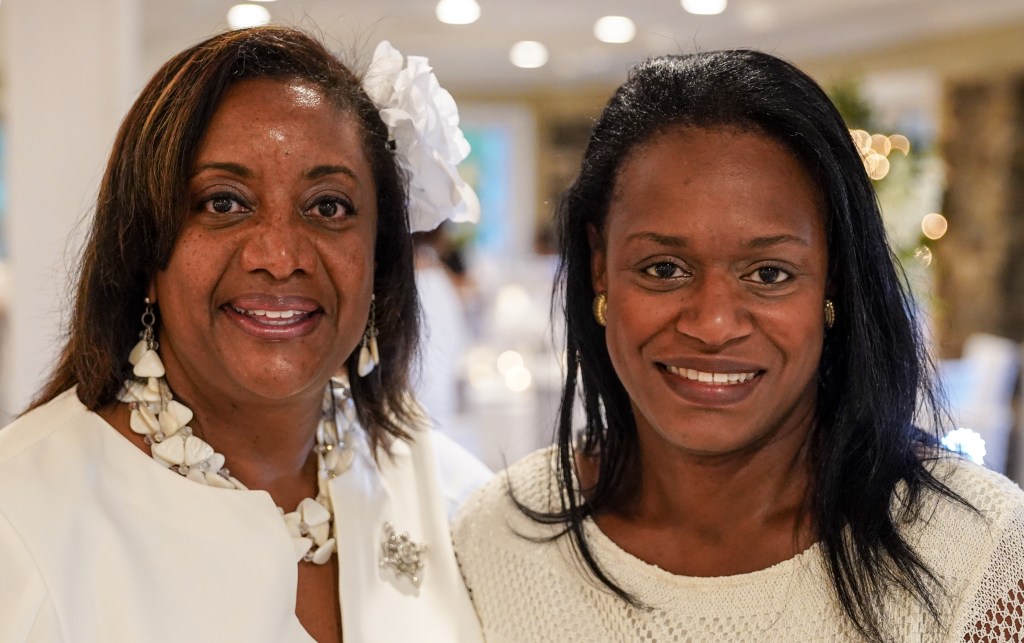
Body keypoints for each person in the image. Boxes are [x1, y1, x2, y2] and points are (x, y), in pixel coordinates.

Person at [454, 50, 1024, 642]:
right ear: (600, 268)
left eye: (769, 274)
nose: (713, 324)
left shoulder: (977, 560)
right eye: (664, 268)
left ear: (832, 281)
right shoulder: (496, 540)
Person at [0, 27, 489, 642]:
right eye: (224, 203)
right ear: (144, 251)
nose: (281, 257)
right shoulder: (19, 523)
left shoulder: (449, 495)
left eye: (328, 206)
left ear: (379, 259)